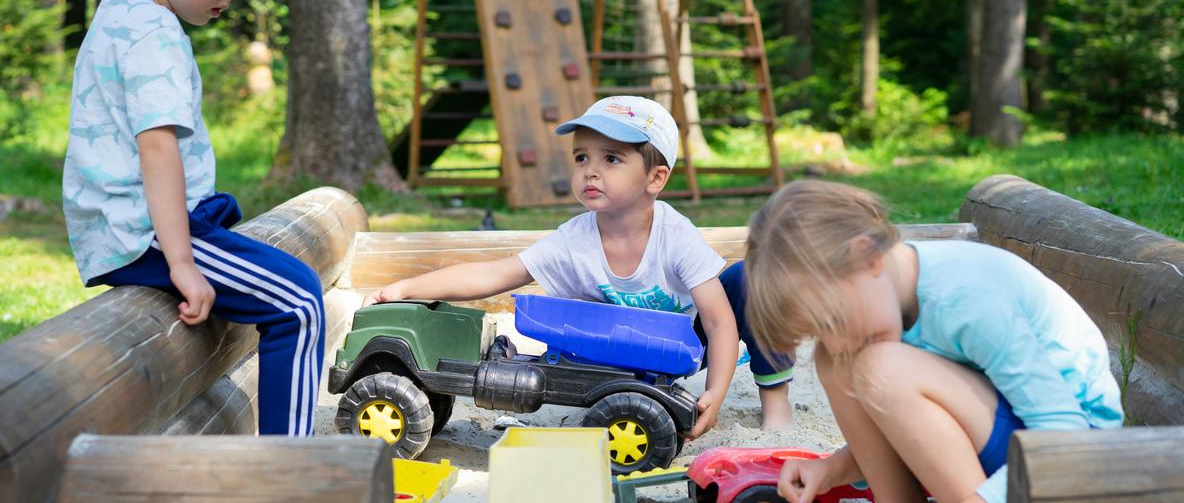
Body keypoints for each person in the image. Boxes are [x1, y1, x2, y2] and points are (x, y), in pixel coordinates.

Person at [62, 0, 319, 436]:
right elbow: (157, 149)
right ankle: (297, 471)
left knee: (272, 275)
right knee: (299, 302)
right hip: (149, 235)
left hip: (129, 228)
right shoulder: (154, 33)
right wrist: (182, 261)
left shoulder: (118, 17)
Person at [362, 96, 792, 434]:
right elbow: (495, 273)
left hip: (679, 342)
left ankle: (776, 400)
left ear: (655, 179)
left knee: (752, 279)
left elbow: (718, 323)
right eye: (582, 157)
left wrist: (715, 394)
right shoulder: (575, 238)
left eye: (612, 159)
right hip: (614, 352)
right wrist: (405, 288)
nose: (590, 171)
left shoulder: (674, 234)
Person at [743, 180, 1123, 503]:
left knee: (882, 370)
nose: (835, 341)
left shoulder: (967, 299)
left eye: (834, 320)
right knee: (836, 362)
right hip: (1007, 444)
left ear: (868, 257)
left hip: (1073, 455)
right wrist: (829, 470)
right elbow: (920, 430)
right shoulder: (883, 303)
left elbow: (1063, 431)